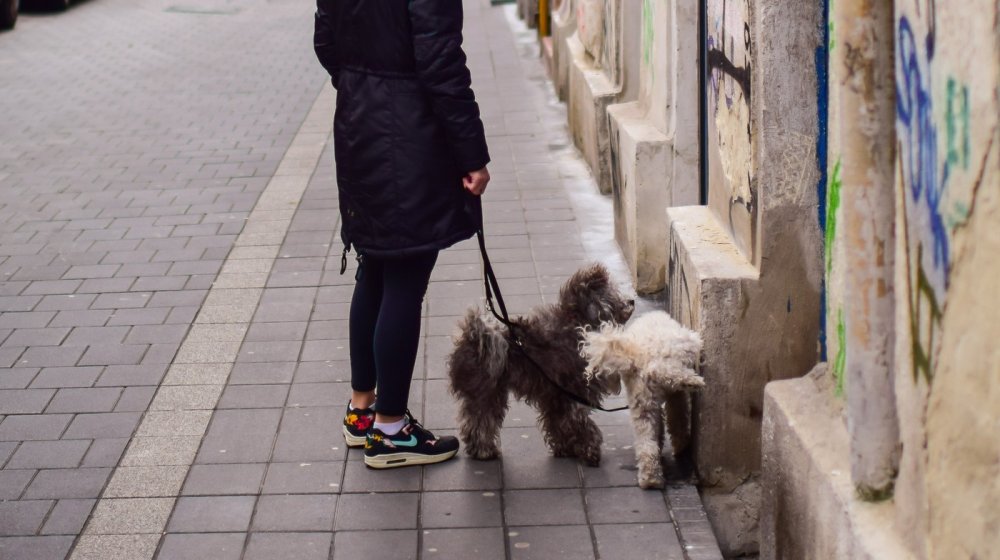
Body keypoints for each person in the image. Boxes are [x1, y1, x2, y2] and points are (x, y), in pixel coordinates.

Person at [314, 0, 491, 469]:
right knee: (405, 275)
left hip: (358, 123)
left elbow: (326, 42)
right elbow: (441, 63)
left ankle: (362, 412)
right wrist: (471, 152)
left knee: (374, 265)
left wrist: (363, 87)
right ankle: (391, 430)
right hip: (408, 133)